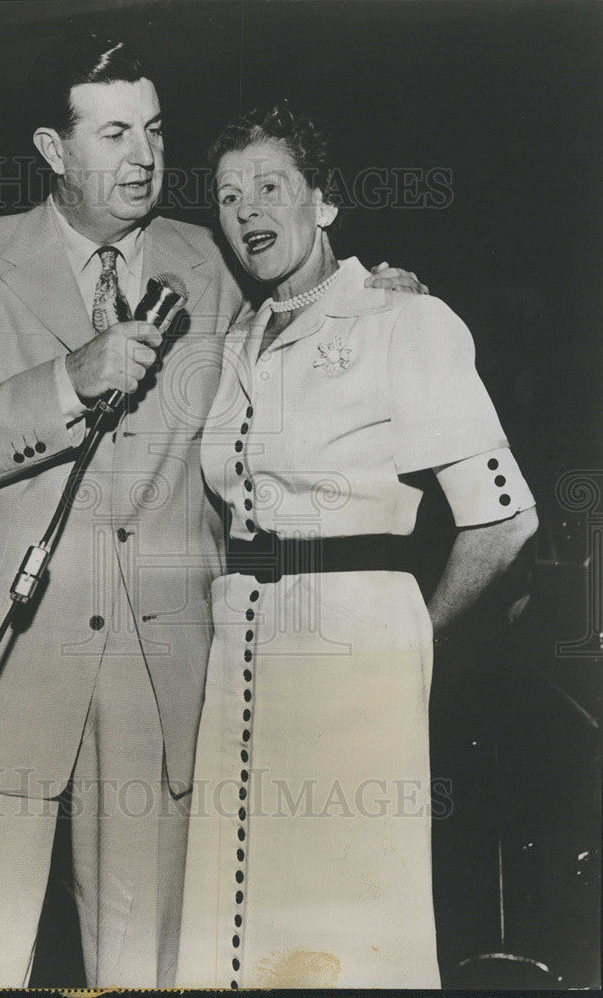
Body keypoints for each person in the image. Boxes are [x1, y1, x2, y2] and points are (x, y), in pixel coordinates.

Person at [0, 36, 424, 988]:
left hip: (164, 681)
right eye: (116, 132)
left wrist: (381, 304)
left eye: (157, 131)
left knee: (158, 971)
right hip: (3, 665)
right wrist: (66, 381)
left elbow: (303, 301)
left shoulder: (210, 260)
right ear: (51, 149)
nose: (144, 157)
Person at [175, 105, 539, 989]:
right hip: (242, 653)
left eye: (271, 186)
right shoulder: (235, 343)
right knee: (240, 926)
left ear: (324, 203)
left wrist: (414, 638)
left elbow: (506, 520)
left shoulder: (403, 320)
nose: (248, 210)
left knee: (346, 922)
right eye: (228, 196)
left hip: (354, 655)